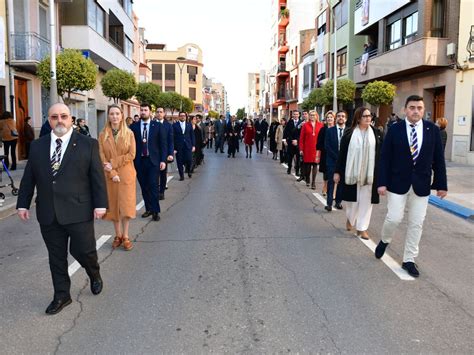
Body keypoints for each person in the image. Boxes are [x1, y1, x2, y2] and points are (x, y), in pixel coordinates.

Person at [16, 103, 107, 315]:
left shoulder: (87, 144)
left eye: (64, 116)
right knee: (56, 256)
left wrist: (100, 204)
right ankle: (62, 295)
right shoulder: (38, 146)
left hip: (79, 211)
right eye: (55, 117)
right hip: (48, 213)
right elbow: (29, 177)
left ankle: (94, 274)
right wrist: (22, 203)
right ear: (49, 120)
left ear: (71, 120)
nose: (60, 120)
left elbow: (97, 177)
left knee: (84, 251)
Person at [375, 95, 447, 277]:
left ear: (423, 110)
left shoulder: (433, 130)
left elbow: (439, 159)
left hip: (421, 185)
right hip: (397, 183)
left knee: (416, 223)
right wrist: (381, 182)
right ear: (405, 110)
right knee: (394, 218)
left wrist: (441, 184)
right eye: (412, 107)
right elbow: (384, 158)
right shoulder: (395, 129)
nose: (416, 111)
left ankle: (409, 259)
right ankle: (385, 240)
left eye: (419, 108)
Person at [334, 106, 383, 240]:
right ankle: (350, 218)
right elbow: (342, 155)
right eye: (365, 116)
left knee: (367, 203)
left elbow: (381, 155)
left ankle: (362, 228)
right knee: (352, 203)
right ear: (358, 118)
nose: (368, 118)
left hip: (370, 174)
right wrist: (337, 172)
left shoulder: (376, 133)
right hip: (352, 174)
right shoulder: (349, 134)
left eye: (369, 116)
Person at [98, 105, 136, 251]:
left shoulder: (129, 133)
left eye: (117, 114)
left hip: (126, 174)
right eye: (111, 114)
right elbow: (101, 155)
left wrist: (113, 163)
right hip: (109, 174)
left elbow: (131, 155)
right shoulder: (102, 135)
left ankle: (126, 236)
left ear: (121, 115)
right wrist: (111, 172)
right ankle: (117, 235)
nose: (114, 116)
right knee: (113, 206)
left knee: (126, 207)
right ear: (108, 116)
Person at [130, 102, 167, 221]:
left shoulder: (157, 126)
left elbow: (163, 144)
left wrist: (163, 160)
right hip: (139, 161)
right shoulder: (134, 127)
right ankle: (148, 209)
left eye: (145, 110)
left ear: (150, 112)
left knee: (153, 186)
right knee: (144, 187)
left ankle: (155, 211)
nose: (143, 112)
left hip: (153, 161)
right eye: (141, 110)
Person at [324, 110, 347, 211]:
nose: (340, 118)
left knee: (342, 182)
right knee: (331, 182)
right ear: (336, 118)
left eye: (342, 116)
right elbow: (327, 146)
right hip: (332, 160)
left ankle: (338, 202)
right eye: (339, 116)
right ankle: (329, 203)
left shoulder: (349, 131)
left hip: (344, 162)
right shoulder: (330, 130)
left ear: (345, 119)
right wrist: (336, 157)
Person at [299, 111, 324, 189]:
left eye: (314, 115)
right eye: (311, 115)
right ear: (309, 116)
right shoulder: (305, 125)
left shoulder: (321, 125)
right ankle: (308, 179)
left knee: (315, 165)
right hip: (307, 148)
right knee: (307, 166)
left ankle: (313, 182)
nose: (312, 116)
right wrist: (301, 149)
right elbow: (301, 138)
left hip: (317, 148)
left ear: (316, 116)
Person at [155, 107, 174, 200]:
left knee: (163, 173)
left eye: (161, 112)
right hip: (153, 153)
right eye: (157, 112)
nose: (159, 113)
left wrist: (170, 154)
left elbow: (170, 141)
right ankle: (155, 191)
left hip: (164, 153)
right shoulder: (152, 124)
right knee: (154, 174)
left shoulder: (168, 126)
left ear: (164, 114)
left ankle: (161, 191)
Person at [173, 112, 195, 180]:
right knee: (179, 162)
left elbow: (192, 135)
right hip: (178, 146)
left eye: (184, 116)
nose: (182, 117)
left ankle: (189, 171)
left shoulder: (189, 125)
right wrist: (173, 148)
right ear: (179, 117)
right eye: (181, 116)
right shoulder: (174, 125)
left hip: (188, 145)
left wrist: (193, 145)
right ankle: (181, 176)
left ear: (186, 117)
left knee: (189, 160)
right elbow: (172, 137)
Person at [317, 111, 335, 196]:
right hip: (325, 154)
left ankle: (333, 191)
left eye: (331, 117)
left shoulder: (337, 129)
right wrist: (318, 153)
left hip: (335, 154)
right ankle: (325, 186)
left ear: (334, 118)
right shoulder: (323, 129)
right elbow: (319, 142)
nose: (329, 119)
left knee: (335, 172)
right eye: (328, 117)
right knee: (326, 171)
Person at [283, 110, 302, 176]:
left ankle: (297, 171)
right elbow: (286, 132)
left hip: (298, 143)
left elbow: (302, 133)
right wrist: (284, 140)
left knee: (298, 158)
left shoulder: (301, 122)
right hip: (290, 142)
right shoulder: (289, 122)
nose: (295, 115)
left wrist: (297, 140)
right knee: (290, 157)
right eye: (294, 114)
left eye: (297, 114)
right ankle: (289, 168)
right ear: (292, 115)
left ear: (299, 115)